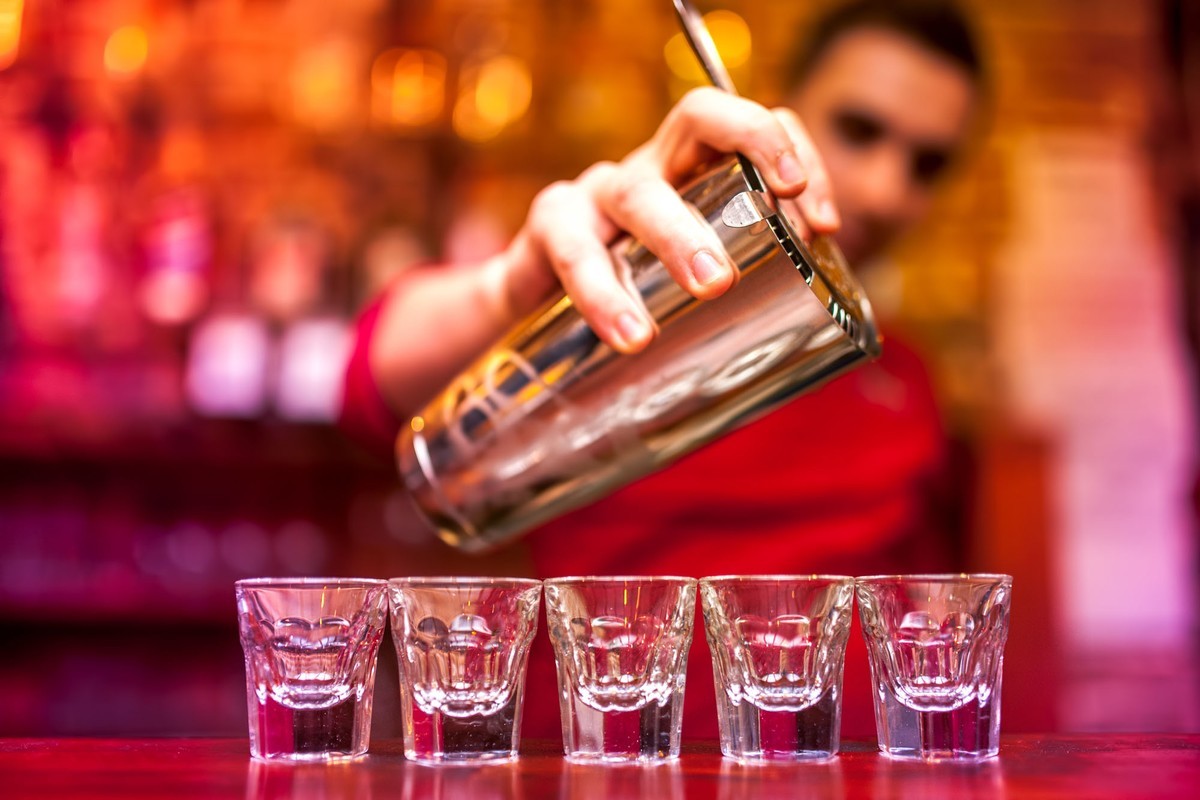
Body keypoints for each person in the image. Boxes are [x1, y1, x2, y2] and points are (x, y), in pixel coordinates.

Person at [341, 0, 984, 740]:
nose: (883, 188)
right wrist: (508, 291)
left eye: (927, 164)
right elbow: (367, 383)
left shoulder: (908, 384)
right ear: (789, 106)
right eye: (859, 128)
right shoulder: (620, 298)